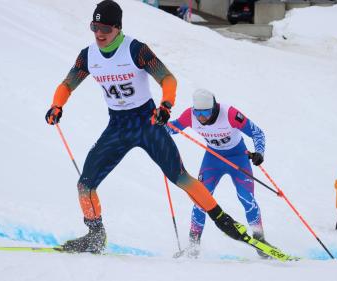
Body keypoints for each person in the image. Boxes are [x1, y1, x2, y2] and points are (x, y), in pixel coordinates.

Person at [45, 0, 253, 254]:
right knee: (85, 185)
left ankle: (225, 222)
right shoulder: (88, 55)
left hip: (148, 122)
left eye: (105, 29)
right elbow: (67, 84)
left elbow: (167, 78)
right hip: (118, 126)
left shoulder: (136, 50)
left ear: (118, 28)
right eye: (94, 27)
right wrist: (57, 105)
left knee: (181, 178)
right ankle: (95, 236)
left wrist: (165, 105)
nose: (99, 34)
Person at [167, 89, 268, 258]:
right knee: (200, 200)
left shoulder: (230, 113)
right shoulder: (189, 115)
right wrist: (157, 126)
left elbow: (258, 133)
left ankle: (261, 241)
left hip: (238, 158)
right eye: (198, 113)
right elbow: (171, 128)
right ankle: (193, 246)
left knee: (246, 198)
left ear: (214, 108)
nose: (201, 117)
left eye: (205, 112)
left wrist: (259, 153)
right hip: (213, 159)